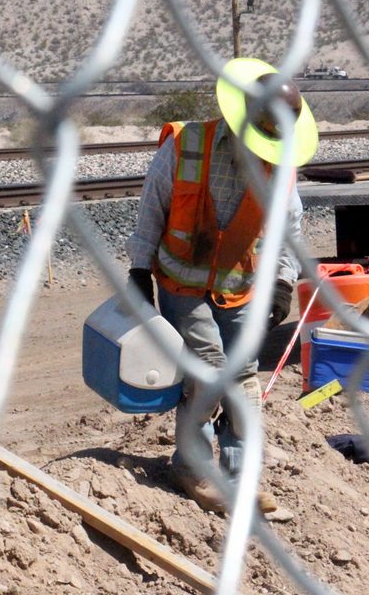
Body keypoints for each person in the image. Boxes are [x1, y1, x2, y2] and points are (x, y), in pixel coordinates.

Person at [125, 58, 318, 513]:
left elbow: (289, 231)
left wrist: (282, 283)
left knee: (244, 377)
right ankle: (193, 468)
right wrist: (138, 271)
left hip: (241, 289)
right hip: (182, 283)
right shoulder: (186, 145)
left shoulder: (280, 166)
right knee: (209, 372)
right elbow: (152, 208)